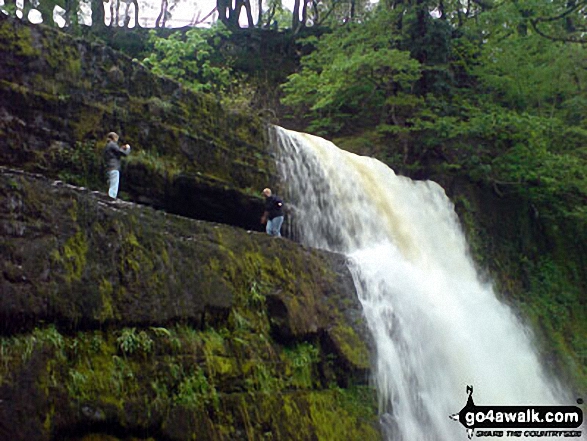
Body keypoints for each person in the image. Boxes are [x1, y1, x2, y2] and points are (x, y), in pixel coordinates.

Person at [103, 132, 130, 199]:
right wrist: (127, 149)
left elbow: (116, 152)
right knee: (114, 184)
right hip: (114, 167)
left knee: (110, 183)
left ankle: (109, 197)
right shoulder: (112, 144)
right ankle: (111, 197)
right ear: (114, 138)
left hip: (108, 167)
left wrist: (121, 148)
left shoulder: (107, 145)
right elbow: (123, 153)